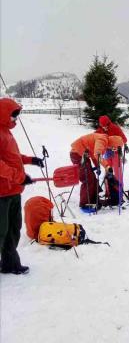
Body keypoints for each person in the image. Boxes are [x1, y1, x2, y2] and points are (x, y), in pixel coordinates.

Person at [0, 98, 44, 275]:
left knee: (13, 230)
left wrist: (30, 160)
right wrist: (19, 177)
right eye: (13, 115)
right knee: (1, 232)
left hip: (14, 190)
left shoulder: (6, 132)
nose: (16, 119)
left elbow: (13, 157)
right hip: (2, 192)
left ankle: (10, 264)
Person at [70, 133, 109, 208]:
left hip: (83, 154)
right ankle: (84, 203)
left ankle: (93, 199)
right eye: (114, 148)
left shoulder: (103, 140)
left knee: (92, 178)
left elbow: (93, 155)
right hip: (77, 154)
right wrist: (106, 166)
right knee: (87, 179)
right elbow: (97, 154)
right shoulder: (102, 140)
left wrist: (97, 166)